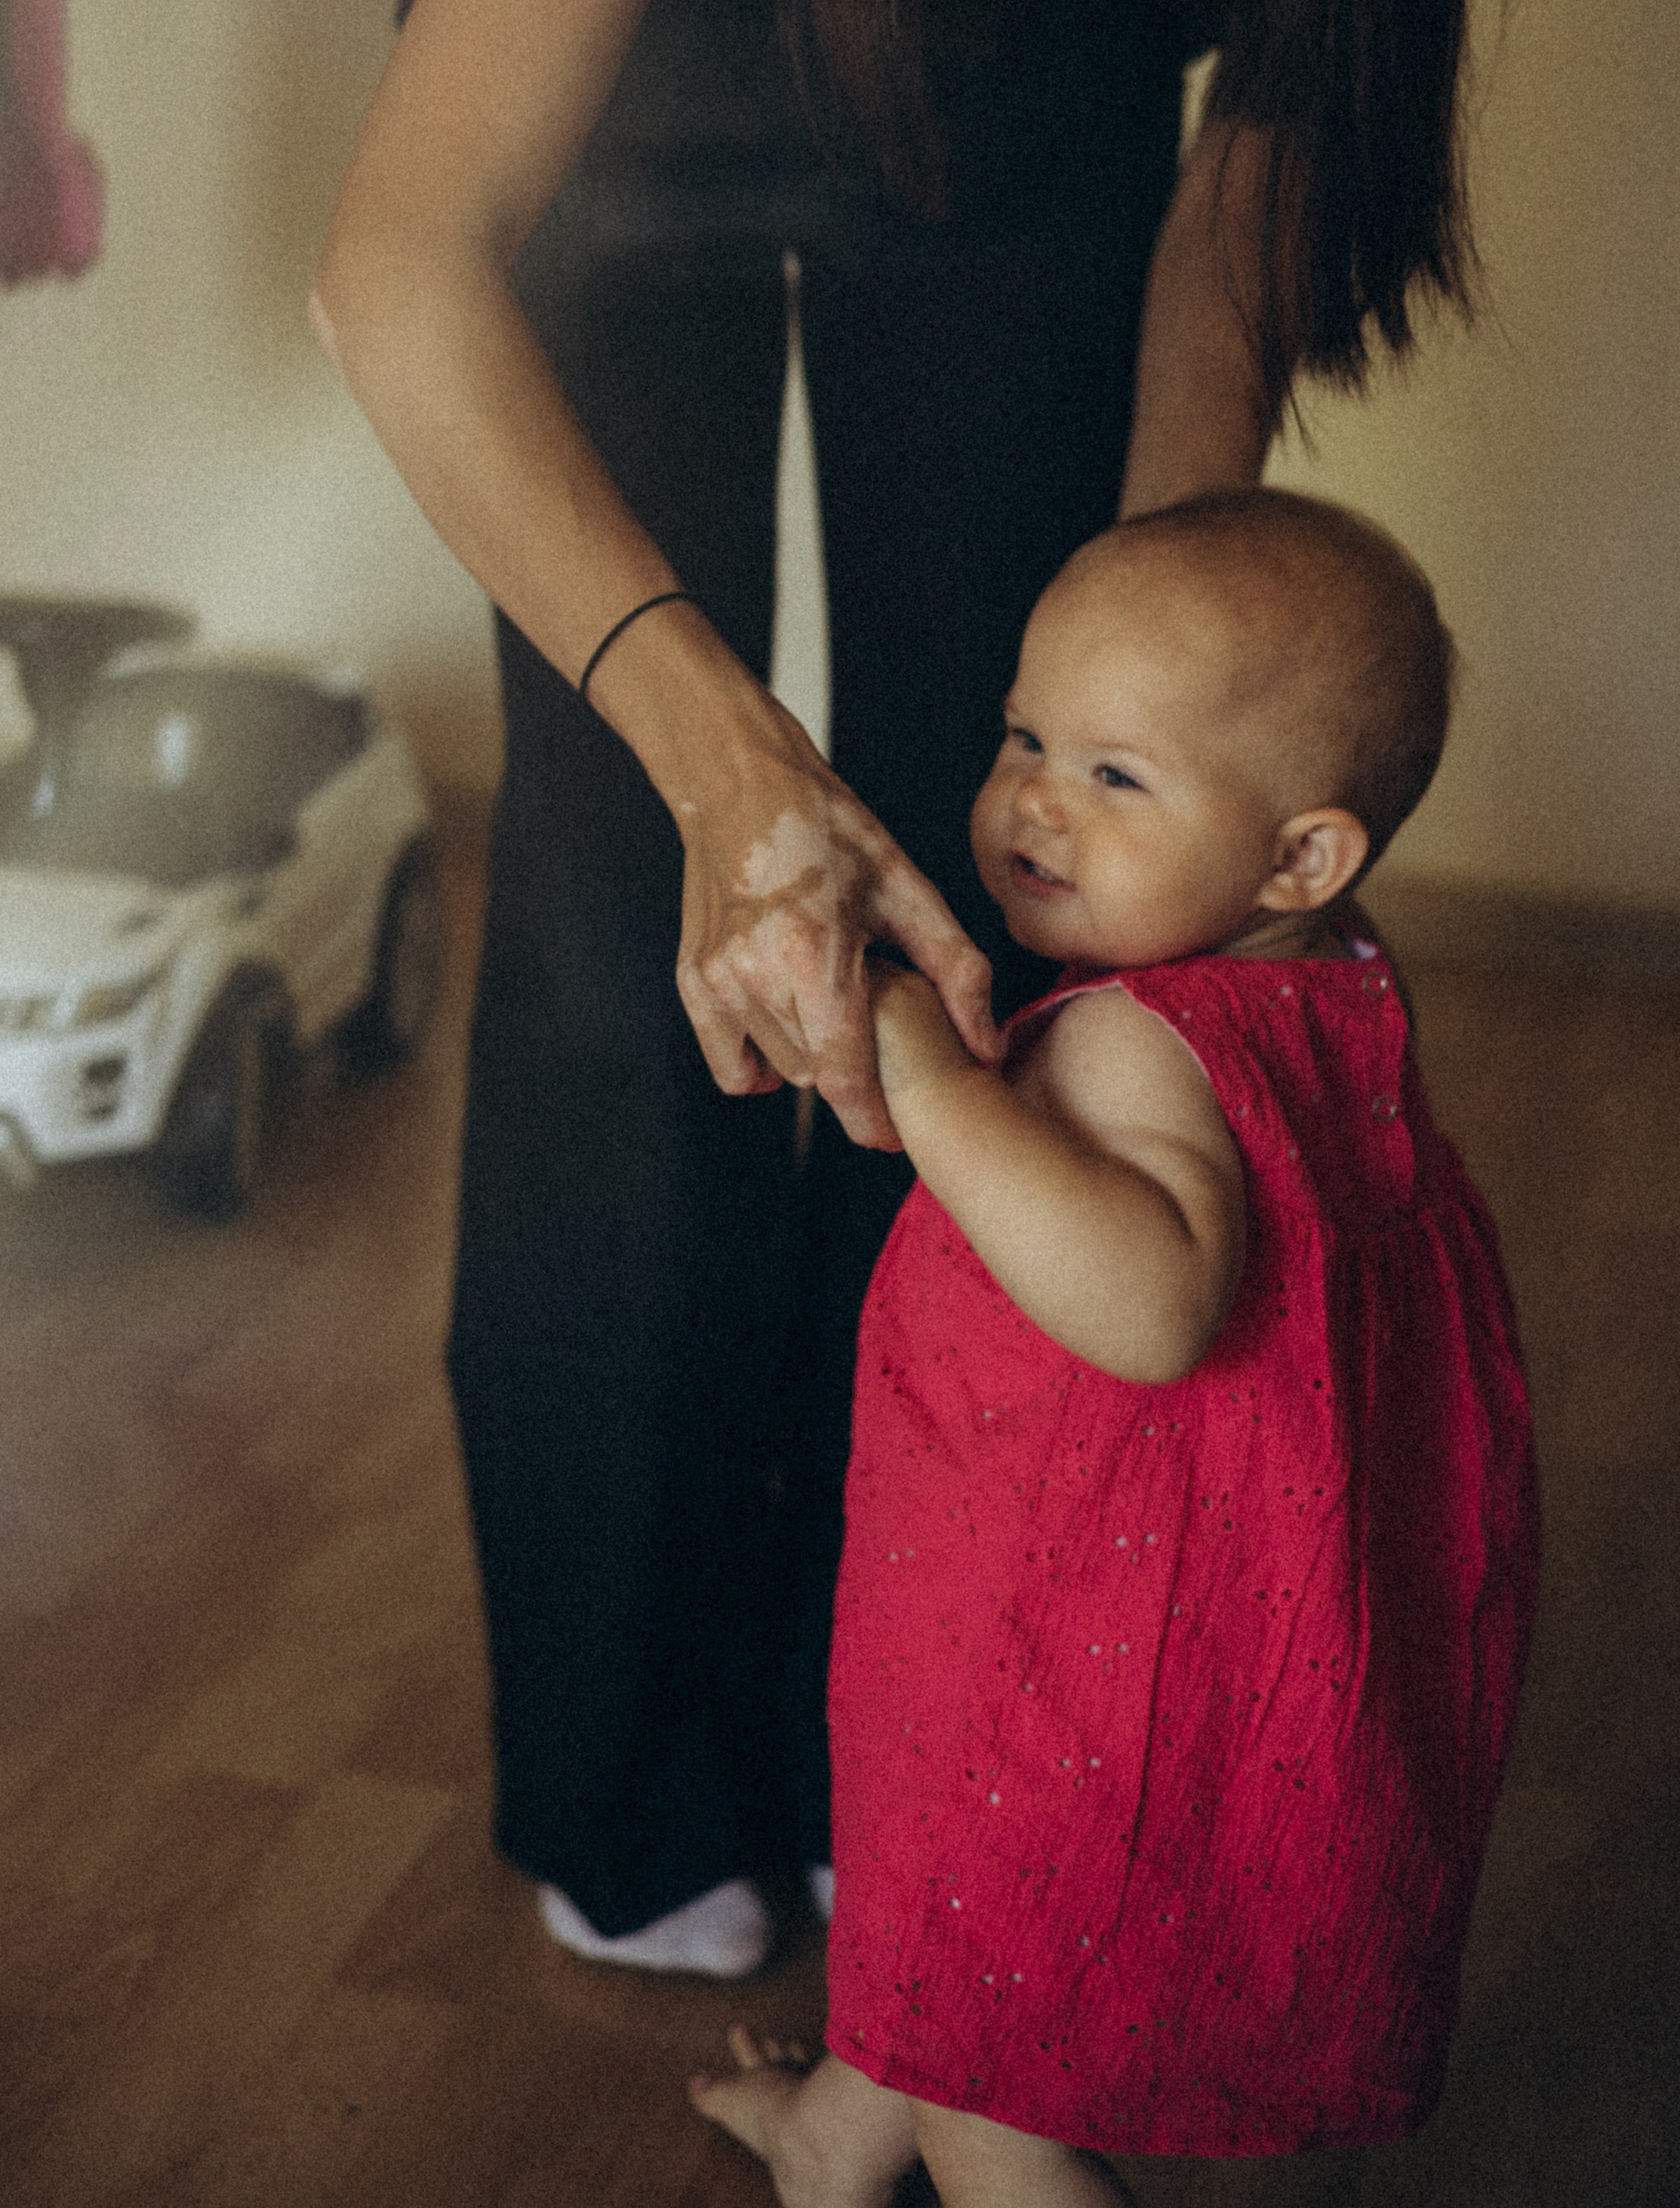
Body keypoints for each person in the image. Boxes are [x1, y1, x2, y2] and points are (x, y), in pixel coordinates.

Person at [311, 0, 1535, 1973]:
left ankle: (926, 1700)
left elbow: (1242, 221)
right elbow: (401, 254)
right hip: (621, 70)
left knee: (1028, 871)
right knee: (672, 888)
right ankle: (641, 1799)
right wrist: (731, 760)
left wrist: (1142, 713)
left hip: (1021, 92)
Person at [691, 488, 1539, 2206]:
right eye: (1024, 736)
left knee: (990, 2056)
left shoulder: (1143, 1039)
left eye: (1113, 776)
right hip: (1219, 1574)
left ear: (1300, 857)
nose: (1028, 803)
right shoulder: (1332, 975)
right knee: (943, 1898)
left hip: (1076, 1611)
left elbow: (1148, 1308)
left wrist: (918, 1065)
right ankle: (825, 2146)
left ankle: (924, 2143)